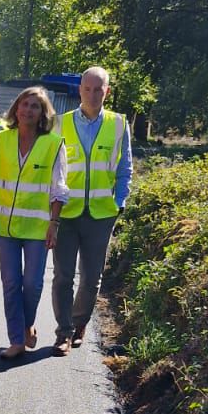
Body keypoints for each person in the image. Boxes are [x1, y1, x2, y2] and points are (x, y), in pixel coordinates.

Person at [0, 86, 67, 359]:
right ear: (16, 109)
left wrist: (54, 223)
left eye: (35, 106)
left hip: (38, 228)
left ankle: (27, 324)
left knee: (33, 284)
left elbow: (59, 188)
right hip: (6, 226)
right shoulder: (0, 139)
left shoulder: (53, 144)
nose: (28, 110)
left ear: (42, 113)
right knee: (11, 283)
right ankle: (16, 340)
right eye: (24, 104)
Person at [50, 65, 133, 355]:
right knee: (63, 276)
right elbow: (51, 169)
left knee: (91, 277)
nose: (93, 94)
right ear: (80, 90)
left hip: (101, 214)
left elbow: (125, 169)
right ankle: (63, 333)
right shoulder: (60, 124)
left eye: (99, 89)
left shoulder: (119, 124)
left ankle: (79, 323)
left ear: (106, 91)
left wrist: (119, 202)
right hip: (66, 213)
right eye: (88, 89)